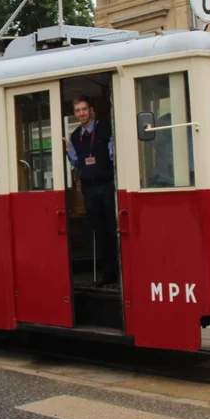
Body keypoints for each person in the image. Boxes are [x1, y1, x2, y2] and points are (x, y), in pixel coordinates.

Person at [65, 96, 118, 287]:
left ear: (91, 110)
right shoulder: (75, 135)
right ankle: (108, 272)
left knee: (113, 229)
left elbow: (113, 156)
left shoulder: (105, 128)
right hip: (89, 187)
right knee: (99, 231)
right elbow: (77, 162)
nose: (81, 113)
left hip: (107, 184)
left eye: (84, 109)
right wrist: (69, 150)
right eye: (78, 110)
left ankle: (118, 270)